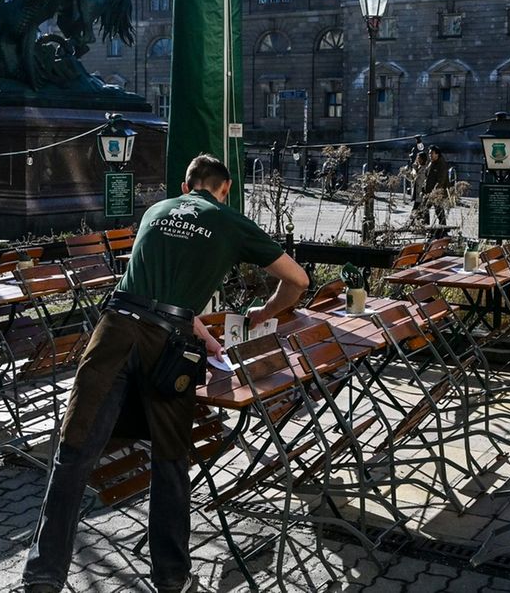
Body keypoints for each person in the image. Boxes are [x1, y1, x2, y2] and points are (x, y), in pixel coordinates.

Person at [22, 154, 310, 593]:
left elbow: (153, 291)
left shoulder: (156, 211)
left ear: (185, 185)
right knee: (170, 459)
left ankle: (43, 578)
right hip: (170, 345)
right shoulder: (228, 221)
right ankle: (172, 578)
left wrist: (208, 338)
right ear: (224, 189)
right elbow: (298, 280)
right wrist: (264, 312)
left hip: (116, 330)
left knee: (75, 451)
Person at [423, 145, 451, 227]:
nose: (429, 155)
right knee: (425, 209)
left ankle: (443, 228)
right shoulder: (431, 163)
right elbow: (427, 176)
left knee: (438, 210)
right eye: (429, 154)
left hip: (437, 193)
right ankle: (426, 226)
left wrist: (434, 193)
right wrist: (424, 188)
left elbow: (441, 181)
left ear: (437, 154)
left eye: (431, 153)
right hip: (429, 191)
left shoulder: (441, 164)